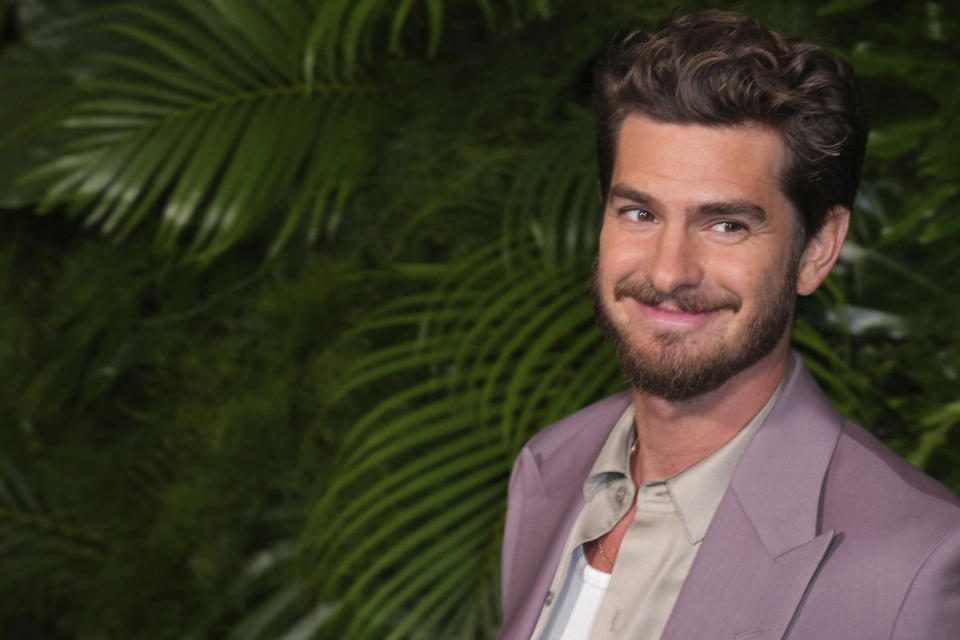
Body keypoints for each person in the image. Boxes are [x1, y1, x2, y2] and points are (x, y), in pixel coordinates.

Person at [498, 10, 960, 640]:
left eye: (726, 225)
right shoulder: (548, 470)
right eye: (639, 213)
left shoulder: (917, 563)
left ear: (816, 249)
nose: (668, 272)